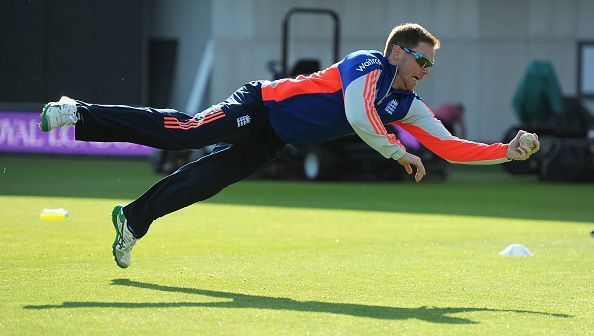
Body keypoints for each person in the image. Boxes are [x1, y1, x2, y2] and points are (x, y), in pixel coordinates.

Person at [39, 23, 540, 269]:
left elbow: (450, 147)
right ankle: (78, 110)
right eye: (420, 60)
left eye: (431, 65)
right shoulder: (369, 64)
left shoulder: (407, 102)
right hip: (259, 106)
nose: (425, 70)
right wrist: (397, 151)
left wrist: (506, 151)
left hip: (275, 140)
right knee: (188, 130)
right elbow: (357, 114)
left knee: (205, 179)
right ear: (396, 52)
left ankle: (133, 219)